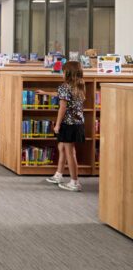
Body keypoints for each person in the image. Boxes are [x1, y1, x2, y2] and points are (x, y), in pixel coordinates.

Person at [38, 61, 85, 191]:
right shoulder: (79, 86)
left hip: (67, 123)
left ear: (68, 73)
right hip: (78, 123)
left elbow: (62, 107)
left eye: (63, 72)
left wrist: (57, 125)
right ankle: (59, 174)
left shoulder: (64, 87)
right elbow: (61, 96)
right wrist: (45, 93)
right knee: (62, 147)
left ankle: (74, 182)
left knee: (70, 152)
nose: (62, 74)